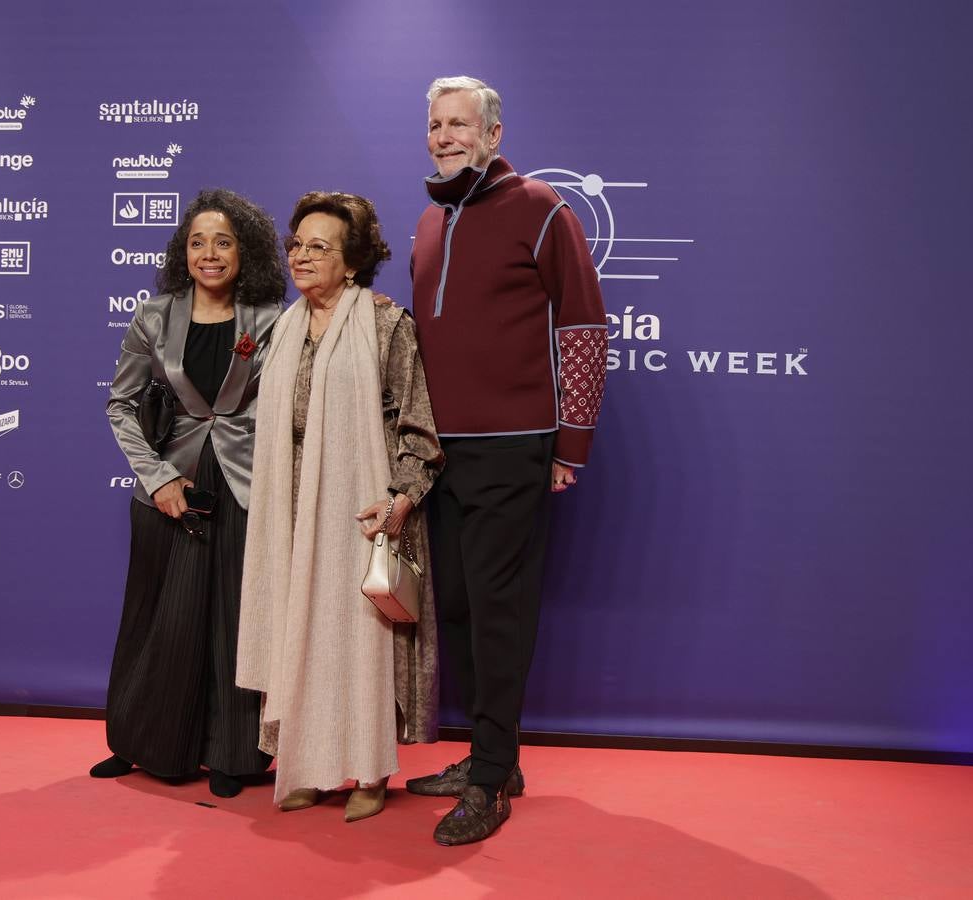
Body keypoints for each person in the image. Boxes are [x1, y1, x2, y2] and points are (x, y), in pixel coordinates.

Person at [404, 76, 609, 845]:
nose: (444, 136)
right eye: (435, 124)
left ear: (493, 134)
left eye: (459, 124)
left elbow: (583, 327)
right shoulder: (429, 219)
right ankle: (493, 758)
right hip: (440, 452)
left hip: (512, 446)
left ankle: (488, 781)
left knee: (498, 612)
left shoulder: (540, 206)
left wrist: (570, 443)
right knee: (456, 607)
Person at [235, 191, 442, 822]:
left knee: (357, 640)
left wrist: (402, 498)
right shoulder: (281, 328)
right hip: (291, 508)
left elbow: (418, 428)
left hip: (360, 507)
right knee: (300, 635)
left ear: (352, 263)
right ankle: (306, 765)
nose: (300, 256)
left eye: (318, 247)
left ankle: (369, 771)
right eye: (296, 244)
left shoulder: (386, 325)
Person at [96, 188, 286, 798]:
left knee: (235, 620)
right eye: (197, 242)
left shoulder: (273, 318)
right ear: (183, 251)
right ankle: (142, 743)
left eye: (223, 242)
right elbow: (121, 405)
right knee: (160, 616)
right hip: (168, 483)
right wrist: (158, 478)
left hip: (245, 483)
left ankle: (233, 754)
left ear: (245, 251)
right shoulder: (153, 317)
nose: (209, 253)